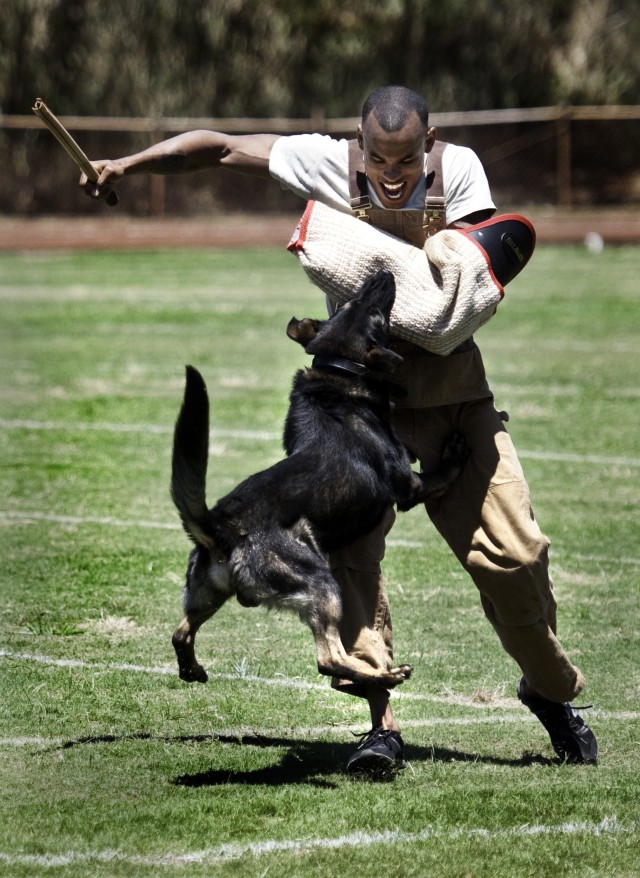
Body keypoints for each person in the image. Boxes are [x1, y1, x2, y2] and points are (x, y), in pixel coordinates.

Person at [82, 85, 598, 772]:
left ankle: (548, 690)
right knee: (351, 567)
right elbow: (222, 146)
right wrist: (130, 164)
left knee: (516, 557)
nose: (392, 173)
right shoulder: (325, 162)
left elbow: (460, 291)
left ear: (430, 141)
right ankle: (380, 722)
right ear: (358, 144)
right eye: (379, 158)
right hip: (353, 409)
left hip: (452, 397)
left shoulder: (462, 171)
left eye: (407, 158)